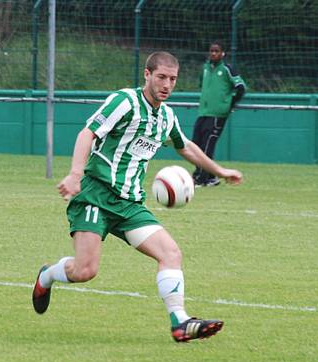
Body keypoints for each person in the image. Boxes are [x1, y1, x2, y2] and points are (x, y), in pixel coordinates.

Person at [31, 51, 243, 342]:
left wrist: (219, 170)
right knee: (85, 271)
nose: (167, 85)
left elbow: (186, 147)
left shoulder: (166, 116)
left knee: (170, 253)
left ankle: (179, 322)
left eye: (172, 79)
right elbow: (87, 134)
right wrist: (75, 174)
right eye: (161, 78)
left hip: (130, 203)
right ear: (147, 75)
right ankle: (47, 276)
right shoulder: (125, 102)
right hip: (95, 194)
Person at [191, 40, 246, 187]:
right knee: (195, 144)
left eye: (216, 51)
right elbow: (202, 85)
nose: (213, 53)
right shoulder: (206, 68)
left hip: (217, 114)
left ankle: (201, 178)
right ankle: (210, 177)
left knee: (207, 146)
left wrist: (229, 104)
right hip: (203, 111)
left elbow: (241, 87)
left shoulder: (228, 69)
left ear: (223, 53)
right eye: (211, 51)